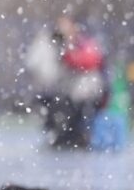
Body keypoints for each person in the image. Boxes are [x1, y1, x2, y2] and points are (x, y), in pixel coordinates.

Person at [25, 15, 107, 149]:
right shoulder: (49, 43)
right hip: (60, 93)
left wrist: (69, 54)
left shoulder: (82, 42)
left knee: (74, 118)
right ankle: (61, 136)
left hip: (82, 95)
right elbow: (37, 65)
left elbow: (89, 61)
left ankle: (75, 138)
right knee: (56, 110)